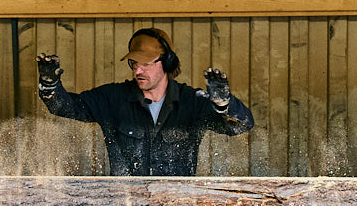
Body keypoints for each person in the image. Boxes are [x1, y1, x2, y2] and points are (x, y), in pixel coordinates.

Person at [37, 27, 254, 176]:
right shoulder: (113, 98)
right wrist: (49, 85)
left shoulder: (192, 102)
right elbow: (65, 107)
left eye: (146, 63)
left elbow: (242, 126)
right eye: (133, 63)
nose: (137, 70)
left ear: (167, 63)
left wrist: (223, 103)